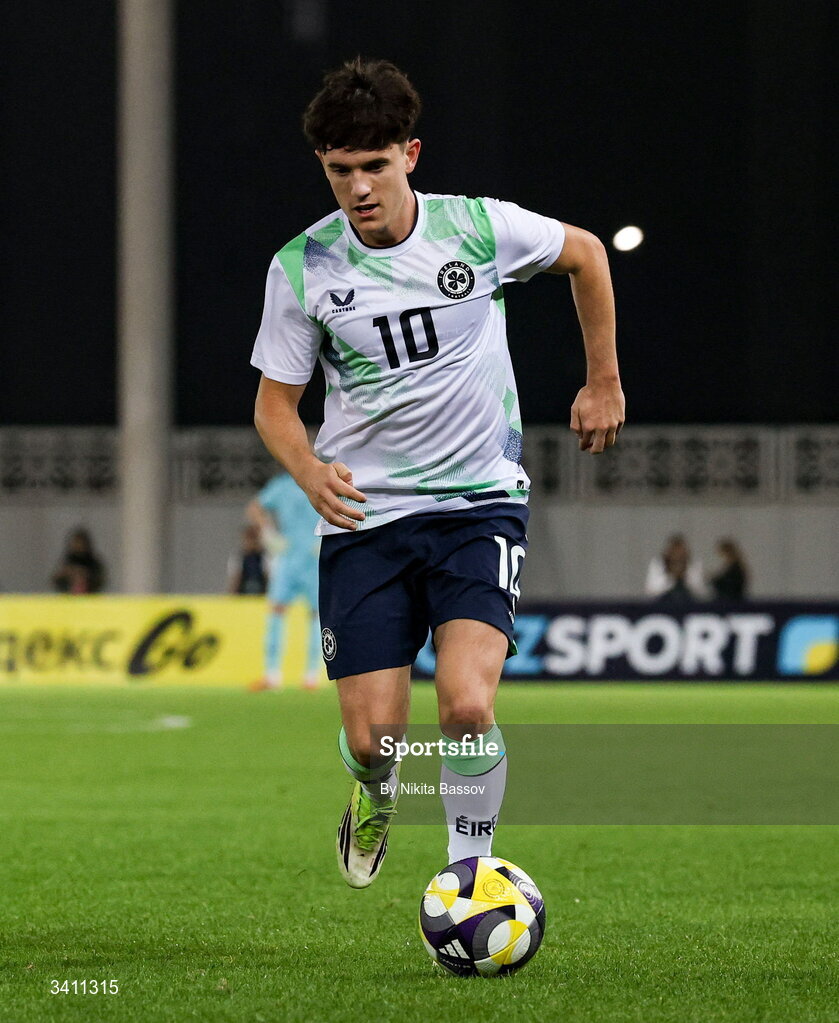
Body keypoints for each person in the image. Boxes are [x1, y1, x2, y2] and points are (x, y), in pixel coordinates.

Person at [250, 58, 624, 888]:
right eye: (340, 170)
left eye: (374, 166)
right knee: (371, 740)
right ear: (323, 166)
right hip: (366, 518)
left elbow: (587, 255)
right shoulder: (302, 268)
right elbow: (275, 405)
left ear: (409, 155)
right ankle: (376, 792)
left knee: (464, 702)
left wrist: (602, 381)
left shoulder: (478, 230)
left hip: (477, 504)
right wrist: (308, 471)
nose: (358, 188)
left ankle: (468, 874)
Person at [247, 471, 322, 690]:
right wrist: (268, 533)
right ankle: (272, 674)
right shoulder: (282, 484)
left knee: (316, 614)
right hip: (288, 555)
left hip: (313, 555)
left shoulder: (322, 478)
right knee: (277, 610)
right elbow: (255, 507)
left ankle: (311, 675)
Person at [645, 534, 704, 603]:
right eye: (674, 551)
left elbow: (700, 591)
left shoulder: (693, 564)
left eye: (680, 551)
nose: (677, 554)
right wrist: (671, 578)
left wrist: (684, 576)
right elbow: (651, 591)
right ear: (668, 552)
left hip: (689, 602)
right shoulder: (658, 564)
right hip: (662, 603)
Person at [52, 527, 105, 594]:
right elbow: (56, 579)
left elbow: (100, 580)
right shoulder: (68, 561)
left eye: (80, 542)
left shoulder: (93, 562)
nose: (78, 545)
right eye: (76, 542)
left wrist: (85, 575)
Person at [227, 523, 268, 595]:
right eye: (248, 538)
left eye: (254, 538)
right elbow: (235, 580)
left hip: (262, 596)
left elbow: (269, 580)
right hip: (243, 597)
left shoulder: (266, 557)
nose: (251, 542)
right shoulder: (238, 558)